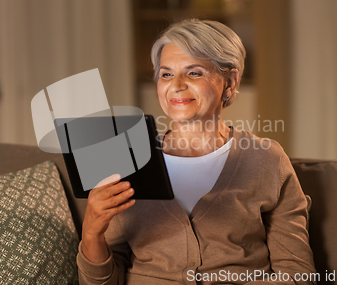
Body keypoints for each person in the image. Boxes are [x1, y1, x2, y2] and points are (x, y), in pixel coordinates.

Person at [76, 19, 316, 284]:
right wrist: (92, 233)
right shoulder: (127, 158)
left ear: (230, 81)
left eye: (194, 72)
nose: (176, 85)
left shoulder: (266, 159)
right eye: (166, 74)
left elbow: (297, 275)